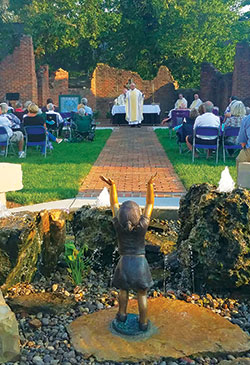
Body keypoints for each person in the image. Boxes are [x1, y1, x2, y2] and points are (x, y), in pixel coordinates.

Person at [100, 173, 157, 331]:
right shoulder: (142, 225)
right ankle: (143, 322)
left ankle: (122, 314)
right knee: (142, 294)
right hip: (140, 263)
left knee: (123, 290)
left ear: (121, 215)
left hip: (124, 262)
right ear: (138, 215)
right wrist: (149, 185)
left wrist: (113, 187)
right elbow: (150, 203)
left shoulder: (118, 224)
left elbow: (114, 204)